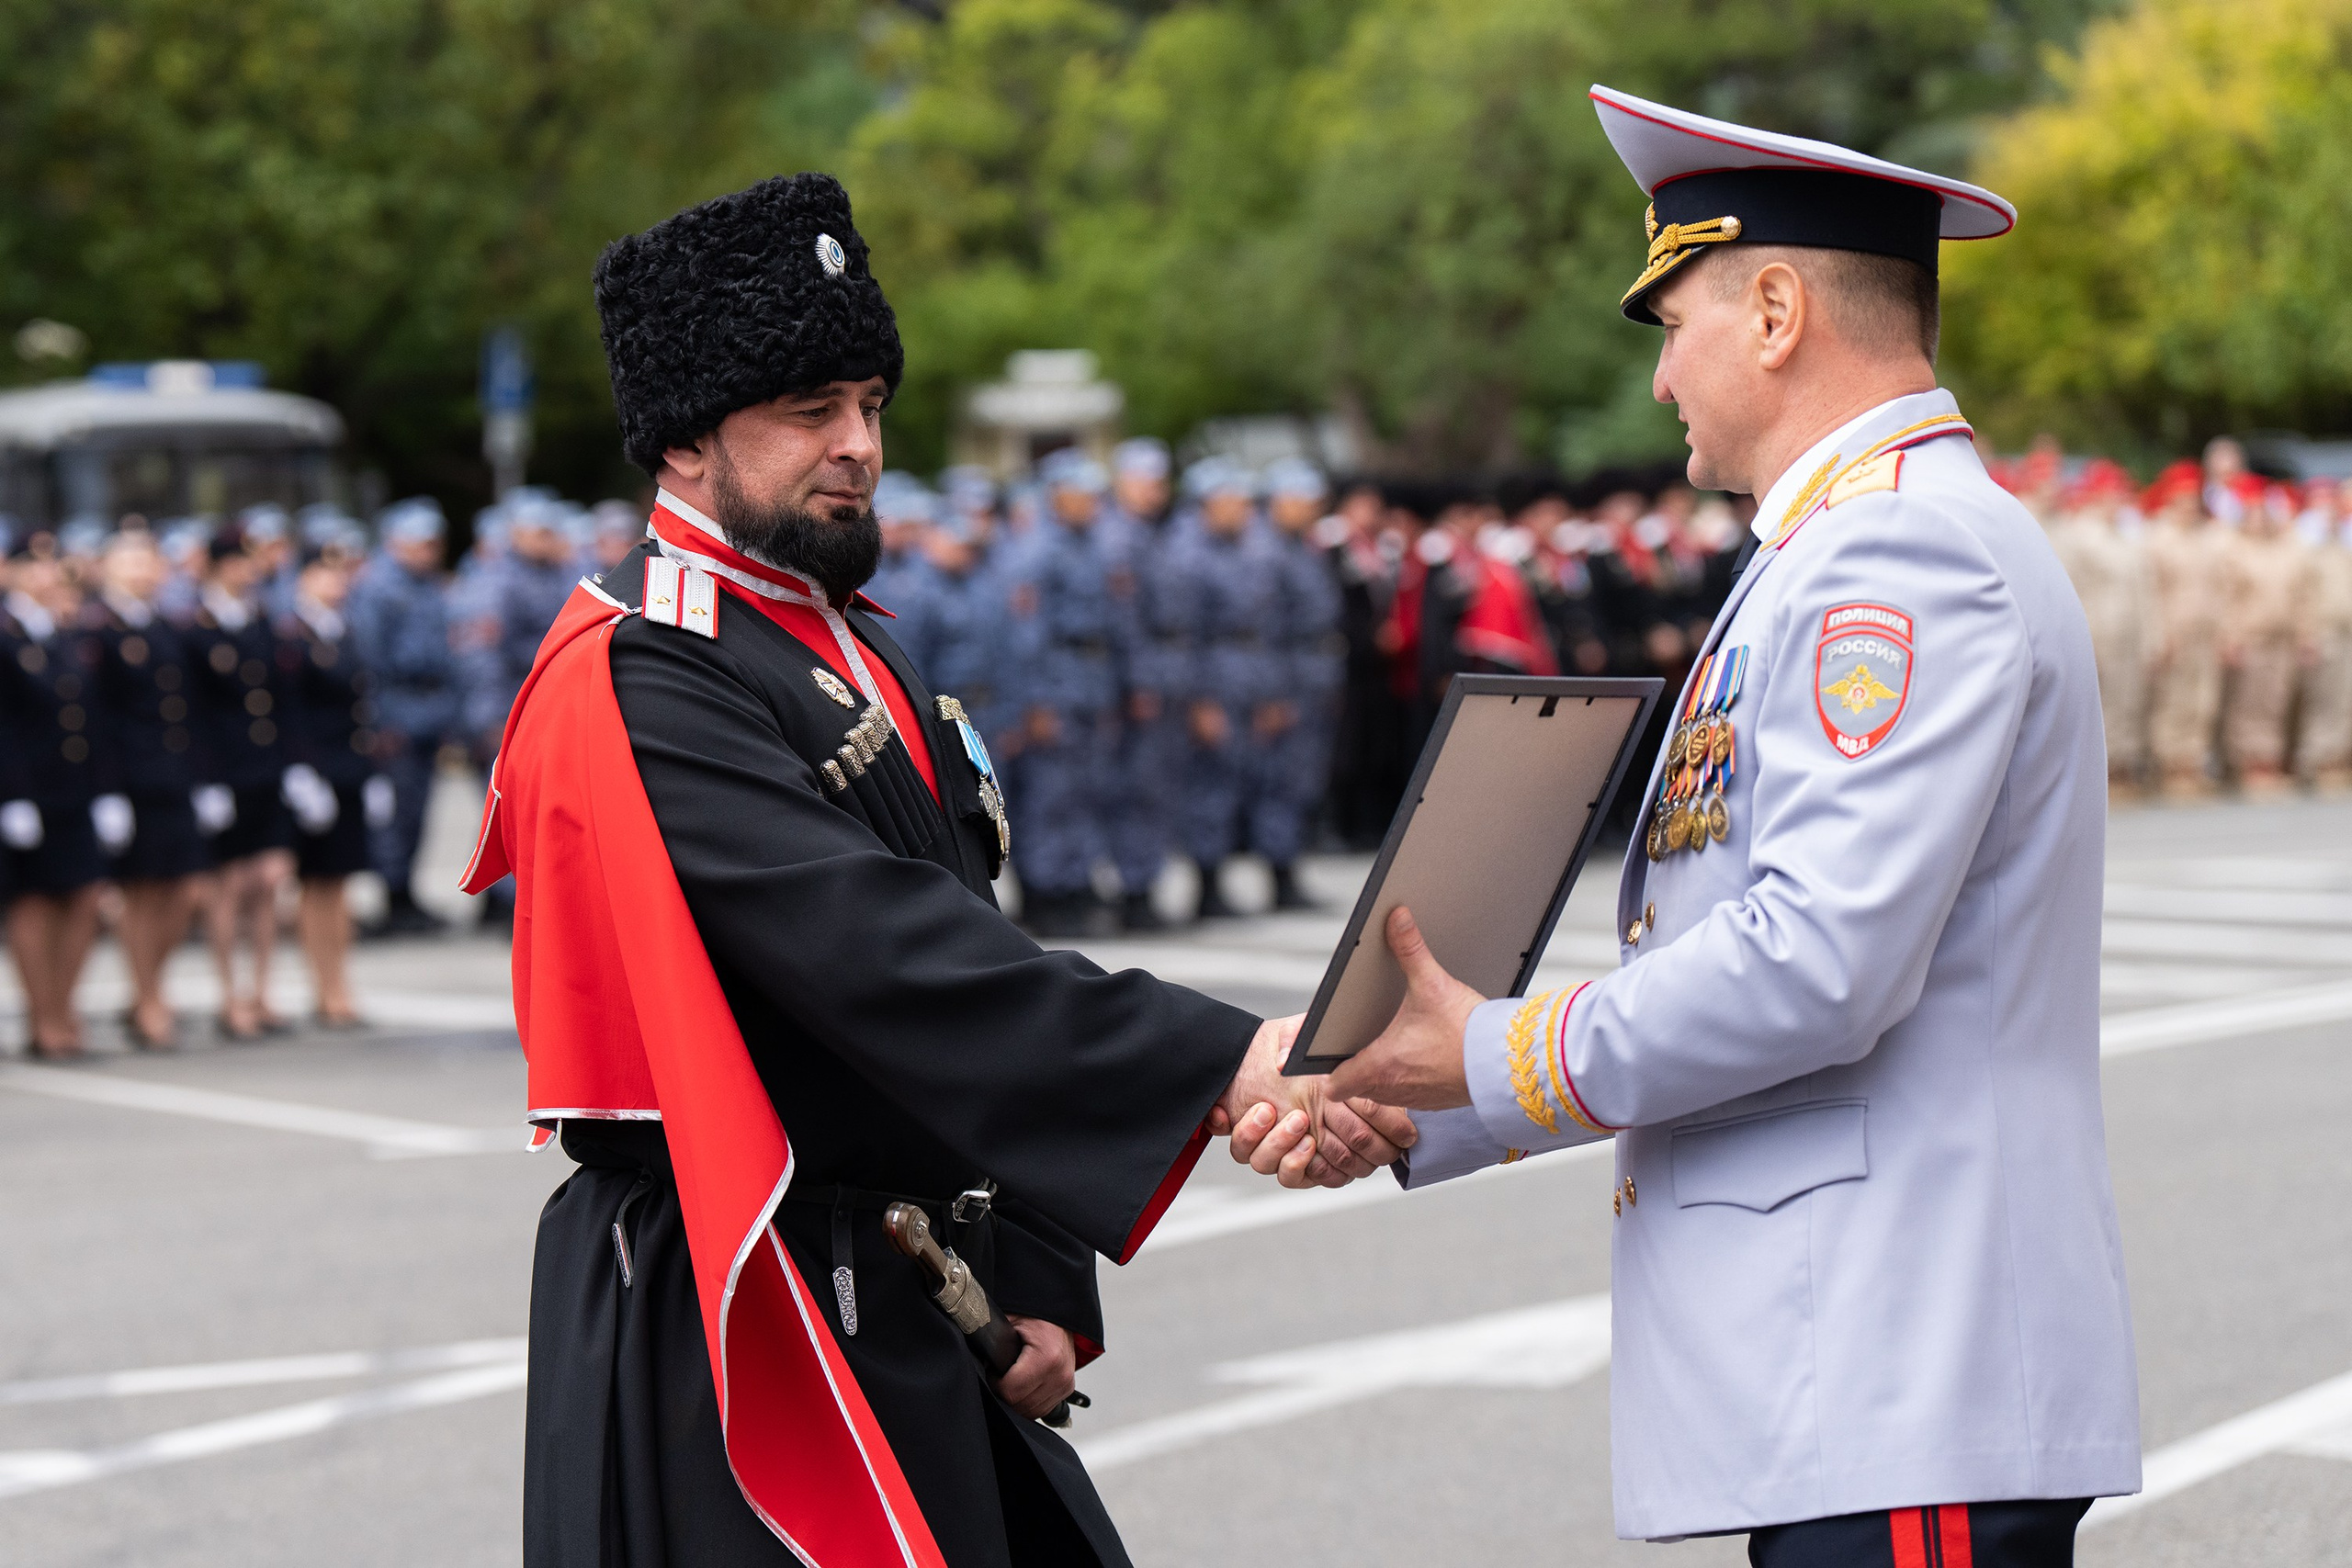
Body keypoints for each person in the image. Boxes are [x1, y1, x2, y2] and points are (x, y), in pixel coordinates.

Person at [462, 174, 1413, 1568]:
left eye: (869, 404)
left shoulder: (855, 638)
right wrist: (1224, 1063)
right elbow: (887, 956)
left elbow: (972, 943)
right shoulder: (638, 668)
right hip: (734, 1307)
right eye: (808, 412)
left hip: (911, 1291)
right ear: (681, 442)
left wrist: (1032, 1272)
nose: (857, 446)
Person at [1319, 87, 2142, 1564]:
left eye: (1672, 323)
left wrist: (1494, 1053)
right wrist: (1422, 1093)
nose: (1659, 384)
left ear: (1775, 310)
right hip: (1862, 1389)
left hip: (1905, 1365)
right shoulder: (1849, 543)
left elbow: (1817, 958)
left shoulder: (1896, 551)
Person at [92, 526, 210, 1049]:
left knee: (184, 890)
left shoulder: (166, 626)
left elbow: (189, 706)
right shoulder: (99, 631)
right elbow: (98, 716)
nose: (142, 570)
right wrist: (109, 788)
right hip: (132, 778)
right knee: (139, 893)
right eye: (129, 561)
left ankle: (152, 985)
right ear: (107, 568)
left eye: (149, 560)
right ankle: (146, 997)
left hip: (175, 772)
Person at [1007, 449, 1125, 938]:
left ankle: (1075, 884)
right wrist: (1036, 702)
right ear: (1057, 495)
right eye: (1082, 492)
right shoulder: (1038, 550)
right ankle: (1046, 893)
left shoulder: (1092, 545)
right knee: (1050, 796)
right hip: (1055, 682)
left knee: (1083, 790)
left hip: (1089, 681)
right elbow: (1027, 634)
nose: (1092, 502)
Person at [187, 523, 298, 1039]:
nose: (247, 570)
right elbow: (192, 710)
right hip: (224, 771)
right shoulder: (196, 626)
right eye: (236, 560)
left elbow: (277, 699)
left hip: (265, 766)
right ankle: (230, 994)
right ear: (215, 565)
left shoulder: (259, 620)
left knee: (271, 878)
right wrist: (205, 778)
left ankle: (262, 990)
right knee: (228, 885)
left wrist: (292, 763)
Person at [2, 529, 108, 1057]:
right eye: (32, 566)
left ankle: (64, 1006)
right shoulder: (6, 632)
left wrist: (105, 788)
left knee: (85, 897)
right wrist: (13, 794)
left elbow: (88, 716)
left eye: (52, 565)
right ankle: (43, 1018)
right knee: (34, 902)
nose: (45, 575)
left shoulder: (64, 630)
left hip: (73, 784)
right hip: (25, 789)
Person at [1167, 459, 1286, 919]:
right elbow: (1186, 636)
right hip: (1211, 677)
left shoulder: (1250, 550)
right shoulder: (1188, 556)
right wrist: (1198, 699)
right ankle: (1206, 882)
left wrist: (1270, 693)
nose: (1241, 508)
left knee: (1241, 781)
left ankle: (1226, 878)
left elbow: (1267, 626)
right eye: (1231, 499)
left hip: (1248, 674)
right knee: (1207, 788)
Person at [348, 498, 458, 934]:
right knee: (394, 811)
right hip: (396, 705)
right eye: (419, 542)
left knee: (418, 809)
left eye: (432, 542)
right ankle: (390, 895)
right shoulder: (377, 588)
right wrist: (379, 722)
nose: (428, 551)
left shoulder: (429, 585)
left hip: (429, 705)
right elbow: (369, 663)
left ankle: (406, 891)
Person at [281, 539, 379, 1027]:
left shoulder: (342, 630)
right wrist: (300, 771)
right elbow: (290, 710)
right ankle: (322, 986)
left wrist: (373, 772)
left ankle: (339, 983)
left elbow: (360, 707)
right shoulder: (292, 635)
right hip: (315, 771)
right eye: (324, 572)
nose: (336, 582)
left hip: (349, 767)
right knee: (315, 884)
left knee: (340, 885)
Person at [1097, 437, 1183, 930]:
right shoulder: (1120, 538)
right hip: (1137, 680)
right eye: (1147, 481)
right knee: (1135, 787)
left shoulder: (1153, 534)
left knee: (1156, 785)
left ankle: (1145, 881)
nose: (1157, 490)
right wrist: (1140, 683)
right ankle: (1133, 888)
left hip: (1164, 670)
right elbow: (1126, 621)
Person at [1261, 457, 1345, 906]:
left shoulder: (1304, 548)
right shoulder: (1266, 553)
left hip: (1311, 676)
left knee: (1301, 780)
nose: (1312, 508)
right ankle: (1279, 872)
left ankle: (1289, 867)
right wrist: (1275, 693)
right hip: (1285, 679)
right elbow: (1267, 633)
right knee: (1280, 781)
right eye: (1304, 500)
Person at [2045, 459, 2154, 795]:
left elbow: (2143, 593)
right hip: (2100, 632)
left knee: (2126, 700)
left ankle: (2123, 766)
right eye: (2111, 494)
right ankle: (2100, 776)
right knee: (2101, 706)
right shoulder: (2081, 537)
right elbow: (2075, 591)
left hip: (2127, 634)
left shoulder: (2126, 537)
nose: (2117, 501)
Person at [2218, 482, 2312, 795]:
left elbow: (2299, 595)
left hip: (2280, 637)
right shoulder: (2234, 550)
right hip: (2252, 636)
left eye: (2263, 513)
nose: (2258, 520)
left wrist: (2303, 634)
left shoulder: (2282, 548)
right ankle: (2248, 760)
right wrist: (2231, 637)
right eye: (2252, 513)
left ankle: (2270, 758)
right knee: (2249, 702)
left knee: (2276, 700)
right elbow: (2227, 599)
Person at [2141, 461, 2227, 797]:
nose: (2189, 505)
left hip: (2205, 632)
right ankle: (2172, 764)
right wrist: (2158, 636)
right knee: (2174, 700)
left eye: (2193, 498)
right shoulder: (2158, 538)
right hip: (2173, 630)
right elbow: (2150, 594)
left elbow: (2222, 589)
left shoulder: (2208, 538)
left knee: (2204, 699)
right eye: (2183, 497)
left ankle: (2194, 761)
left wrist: (2224, 630)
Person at [2299, 484, 2352, 790]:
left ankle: (2338, 756)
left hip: (2346, 632)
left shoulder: (2344, 549)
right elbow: (2302, 597)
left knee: (2344, 698)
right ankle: (2317, 758)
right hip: (2323, 632)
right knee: (2322, 699)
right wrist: (2307, 633)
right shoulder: (2308, 552)